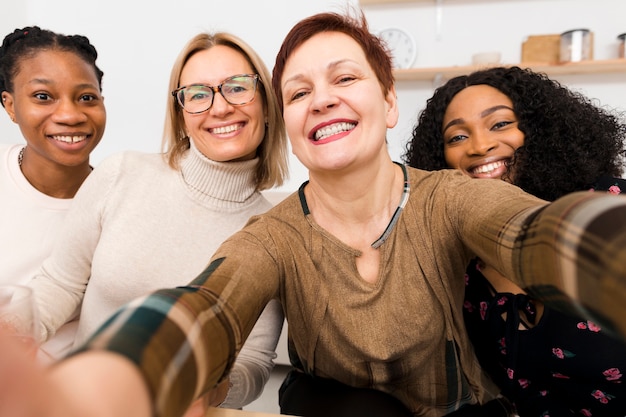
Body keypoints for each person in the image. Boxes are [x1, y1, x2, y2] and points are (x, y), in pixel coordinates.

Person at [1, 10, 626, 417]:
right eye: (300, 90)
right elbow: (205, 308)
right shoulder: (272, 233)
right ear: (293, 125)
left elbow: (532, 232)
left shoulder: (448, 196)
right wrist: (101, 386)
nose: (321, 98)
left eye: (344, 79)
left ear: (388, 104)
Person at [26, 32, 288, 412]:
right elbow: (59, 285)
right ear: (181, 115)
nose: (220, 107)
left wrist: (212, 390)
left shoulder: (275, 230)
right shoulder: (122, 173)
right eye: (198, 94)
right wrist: (14, 332)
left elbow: (253, 362)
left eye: (237, 87)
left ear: (264, 102)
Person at [404, 66, 626, 416]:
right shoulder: (463, 263)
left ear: (542, 129)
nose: (480, 146)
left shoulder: (610, 209)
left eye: (500, 124)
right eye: (458, 137)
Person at [0, 26, 106, 360]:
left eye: (87, 97)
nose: (70, 115)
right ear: (10, 105)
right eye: (43, 97)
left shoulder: (119, 202)